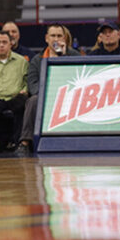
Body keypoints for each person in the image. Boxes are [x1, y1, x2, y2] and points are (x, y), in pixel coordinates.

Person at [16, 24, 80, 156]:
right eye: (53, 36)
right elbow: (32, 84)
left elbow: (79, 77)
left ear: (64, 38)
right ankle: (25, 143)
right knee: (33, 100)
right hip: (45, 97)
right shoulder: (37, 59)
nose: (56, 39)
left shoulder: (74, 55)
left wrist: (62, 57)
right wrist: (48, 95)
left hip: (69, 95)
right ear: (46, 38)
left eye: (59, 36)